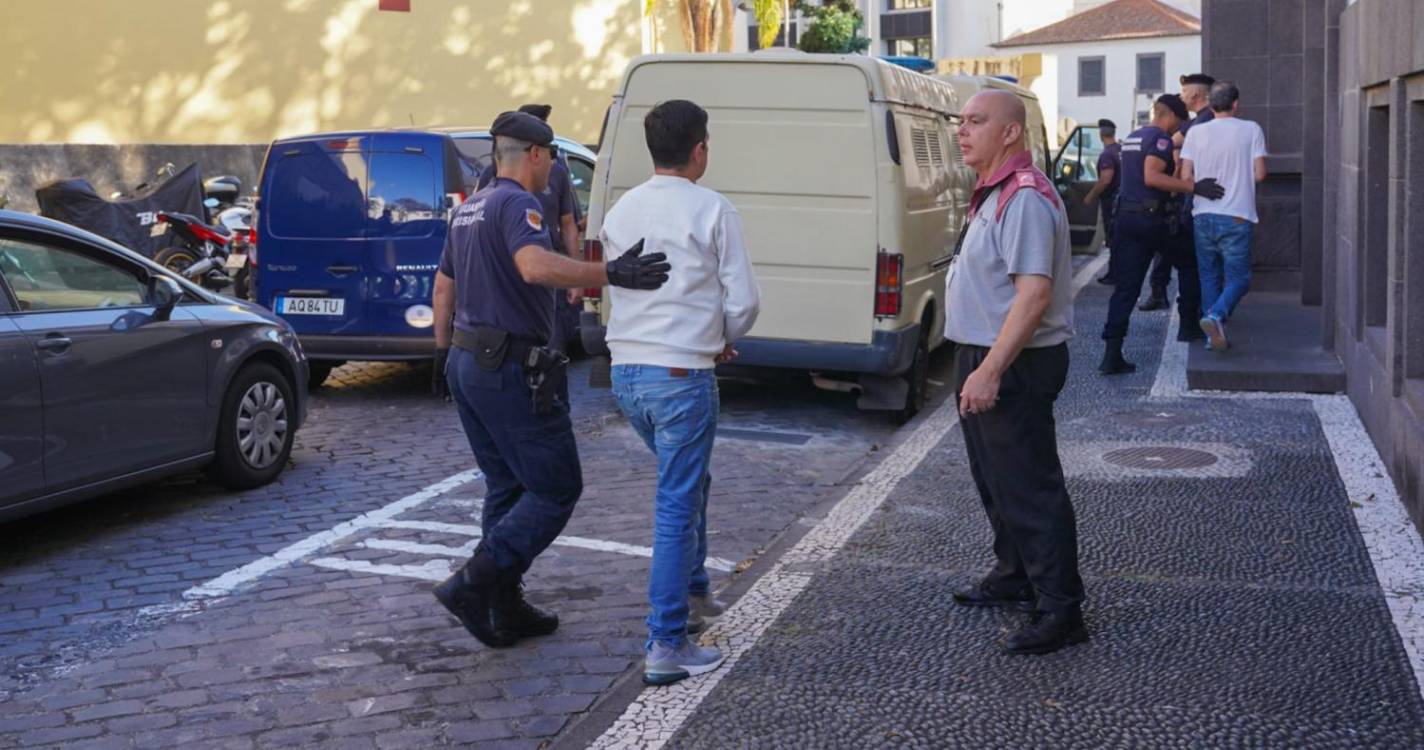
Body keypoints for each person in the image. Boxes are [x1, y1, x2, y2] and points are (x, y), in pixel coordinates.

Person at [430, 111, 672, 648]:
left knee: (507, 485)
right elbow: (535, 267)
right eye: (552, 159)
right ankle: (474, 583)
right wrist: (611, 272)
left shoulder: (469, 209)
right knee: (557, 488)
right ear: (536, 155)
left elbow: (443, 286)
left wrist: (441, 354)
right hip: (510, 367)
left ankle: (503, 605)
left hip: (469, 362)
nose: (552, 171)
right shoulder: (519, 203)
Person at [601, 100, 761, 685]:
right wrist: (719, 339)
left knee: (690, 484)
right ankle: (667, 642)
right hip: (680, 376)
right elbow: (745, 301)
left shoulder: (621, 209)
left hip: (627, 373)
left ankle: (694, 593)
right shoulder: (714, 208)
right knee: (677, 501)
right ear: (700, 150)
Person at [944, 90, 1084, 655]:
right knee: (996, 479)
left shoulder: (1023, 197)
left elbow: (1033, 296)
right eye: (961, 121)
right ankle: (1015, 574)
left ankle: (1060, 609)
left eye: (976, 121)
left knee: (1029, 487)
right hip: (984, 354)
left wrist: (990, 370)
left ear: (1010, 133)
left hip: (1013, 361)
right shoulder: (995, 190)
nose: (962, 130)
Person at [1099, 94, 1224, 374]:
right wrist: (1195, 187)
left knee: (1126, 287)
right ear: (1169, 115)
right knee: (1189, 263)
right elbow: (1152, 176)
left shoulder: (1132, 137)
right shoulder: (1161, 139)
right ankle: (1188, 325)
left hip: (1126, 219)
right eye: (1178, 121)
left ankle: (1111, 353)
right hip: (1152, 219)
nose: (1177, 128)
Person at [1181, 81, 1268, 351]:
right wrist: (1240, 178)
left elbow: (1185, 176)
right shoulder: (1251, 129)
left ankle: (1213, 337)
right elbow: (1260, 174)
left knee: (1209, 276)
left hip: (1203, 214)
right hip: (1236, 214)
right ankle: (1216, 315)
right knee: (1240, 278)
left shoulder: (1195, 132)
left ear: (1210, 105)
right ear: (1236, 104)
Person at [1140, 73, 1217, 312]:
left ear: (1196, 94)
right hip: (1191, 195)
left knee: (1192, 263)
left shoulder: (1203, 121)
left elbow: (1172, 142)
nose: (1181, 96)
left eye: (1184, 92)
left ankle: (1197, 313)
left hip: (1194, 196)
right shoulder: (1198, 121)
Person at [1084, 118, 1121, 285]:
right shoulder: (1121, 150)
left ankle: (1114, 274)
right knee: (1120, 239)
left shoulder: (1107, 154)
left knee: (1113, 239)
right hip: (1122, 201)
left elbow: (1106, 179)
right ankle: (1119, 272)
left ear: (1101, 134)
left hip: (1111, 202)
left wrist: (1090, 195)